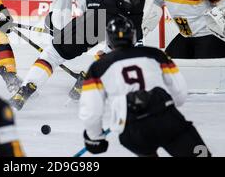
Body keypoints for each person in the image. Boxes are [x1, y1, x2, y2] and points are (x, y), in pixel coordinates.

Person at [9, 0, 144, 110]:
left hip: (102, 12)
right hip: (132, 17)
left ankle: (25, 89)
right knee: (110, 52)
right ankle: (89, 81)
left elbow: (60, 16)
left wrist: (56, 36)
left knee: (52, 53)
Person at [79, 16, 210, 157]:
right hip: (166, 119)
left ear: (109, 39)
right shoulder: (156, 54)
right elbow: (180, 94)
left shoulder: (98, 67)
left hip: (133, 130)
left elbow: (91, 111)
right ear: (134, 35)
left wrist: (95, 137)